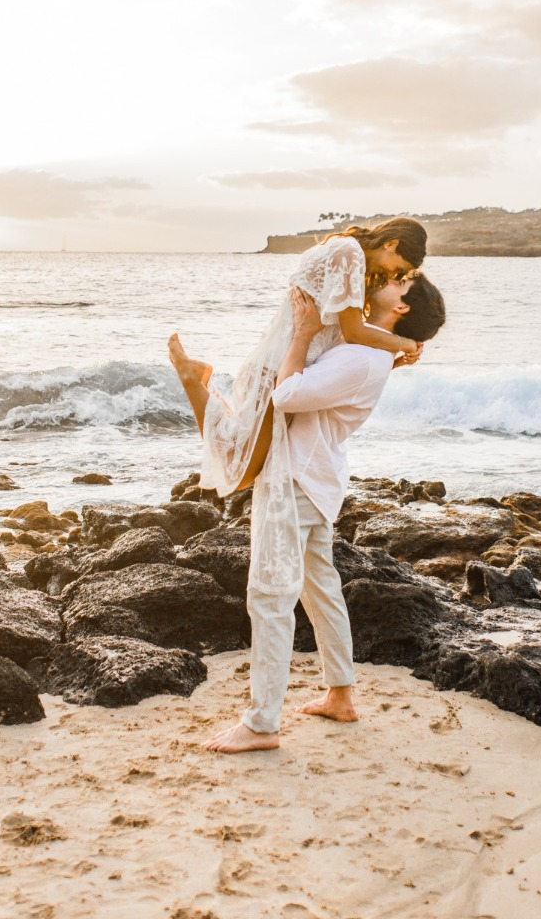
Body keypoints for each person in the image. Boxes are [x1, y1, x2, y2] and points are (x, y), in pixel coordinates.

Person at [170, 271, 446, 753]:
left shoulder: (364, 356)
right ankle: (341, 695)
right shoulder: (369, 348)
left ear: (401, 306)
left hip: (295, 478)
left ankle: (261, 725)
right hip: (317, 475)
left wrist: (300, 333)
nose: (387, 280)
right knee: (320, 588)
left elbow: (288, 395)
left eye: (400, 282)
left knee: (269, 596)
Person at [169, 217, 428, 601]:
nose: (395, 276)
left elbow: (343, 338)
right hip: (281, 367)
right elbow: (354, 332)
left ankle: (199, 381)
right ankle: (193, 379)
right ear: (391, 244)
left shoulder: (351, 258)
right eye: (400, 268)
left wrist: (389, 357)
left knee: (240, 464)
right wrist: (401, 341)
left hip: (294, 366)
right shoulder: (348, 253)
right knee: (238, 468)